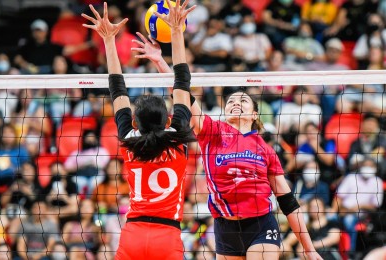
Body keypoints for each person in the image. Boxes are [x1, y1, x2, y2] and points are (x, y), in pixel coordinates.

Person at [135, 22, 322, 260]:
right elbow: (182, 94)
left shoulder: (265, 149)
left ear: (255, 114)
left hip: (260, 225)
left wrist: (309, 248)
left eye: (243, 101)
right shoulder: (212, 131)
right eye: (231, 101)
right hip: (225, 227)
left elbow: (288, 201)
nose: (236, 102)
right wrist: (160, 61)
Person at [82, 1, 196, 259]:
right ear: (168, 120)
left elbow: (116, 88)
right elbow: (182, 79)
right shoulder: (178, 139)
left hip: (133, 233)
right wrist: (176, 31)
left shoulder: (129, 141)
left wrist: (107, 41)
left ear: (135, 123)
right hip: (167, 237)